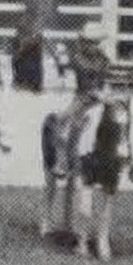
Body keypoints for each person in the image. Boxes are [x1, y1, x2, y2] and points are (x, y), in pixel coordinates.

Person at [53, 21, 116, 174]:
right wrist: (59, 57)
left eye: (96, 42)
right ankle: (62, 162)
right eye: (91, 42)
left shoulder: (103, 59)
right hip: (83, 98)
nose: (94, 46)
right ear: (84, 43)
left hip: (101, 97)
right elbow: (70, 70)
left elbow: (106, 79)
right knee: (62, 122)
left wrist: (106, 93)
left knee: (120, 120)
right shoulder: (78, 58)